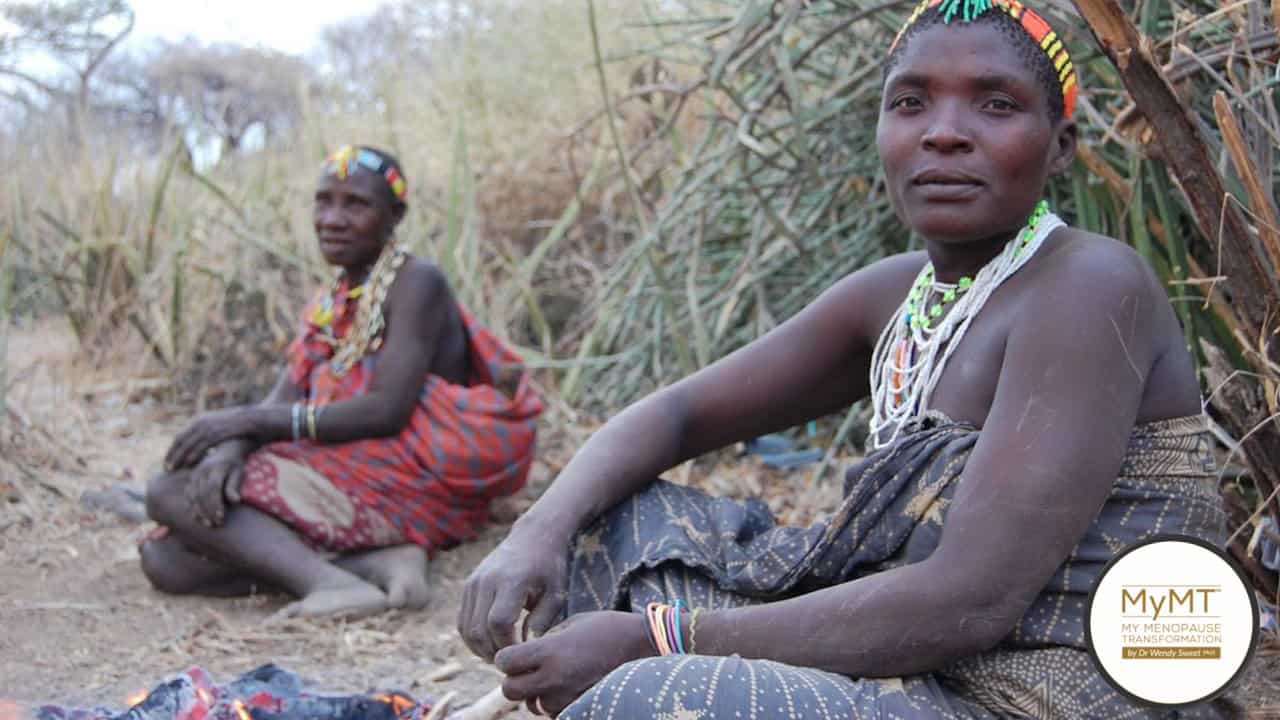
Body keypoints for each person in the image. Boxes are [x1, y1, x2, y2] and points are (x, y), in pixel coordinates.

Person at [457, 1, 1231, 717]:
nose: (945, 133)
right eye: (911, 103)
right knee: (611, 520)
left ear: (1060, 146)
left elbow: (969, 600)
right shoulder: (897, 296)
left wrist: (655, 640)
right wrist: (536, 531)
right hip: (919, 671)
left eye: (995, 104)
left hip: (1048, 694)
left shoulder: (1090, 286)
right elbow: (677, 415)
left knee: (657, 693)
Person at [142, 145, 543, 619]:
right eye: (324, 201)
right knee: (166, 560)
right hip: (348, 467)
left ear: (395, 215)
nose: (333, 218)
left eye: (356, 204)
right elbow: (287, 392)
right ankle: (377, 563)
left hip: (408, 480)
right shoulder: (334, 298)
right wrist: (231, 447)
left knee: (168, 492)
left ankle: (329, 582)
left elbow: (386, 409)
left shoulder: (418, 282)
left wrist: (239, 421)